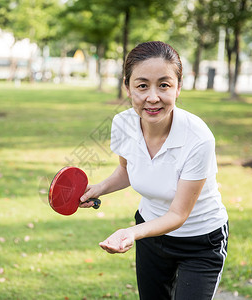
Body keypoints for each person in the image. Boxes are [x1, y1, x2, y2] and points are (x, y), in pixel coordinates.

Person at [80, 41, 229, 300]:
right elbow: (127, 170)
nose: (152, 97)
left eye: (164, 85)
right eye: (142, 85)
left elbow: (178, 214)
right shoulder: (122, 123)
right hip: (150, 236)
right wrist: (99, 188)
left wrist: (130, 233)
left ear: (178, 87)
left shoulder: (198, 138)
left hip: (200, 242)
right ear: (127, 87)